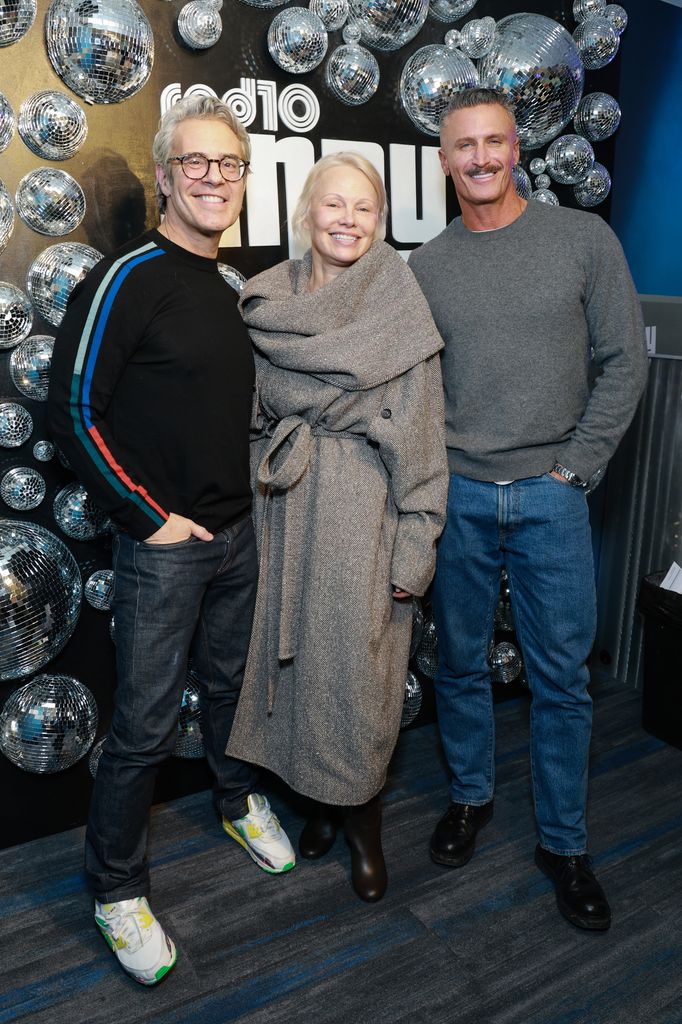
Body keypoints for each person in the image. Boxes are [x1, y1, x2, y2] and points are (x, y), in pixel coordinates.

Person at [47, 95, 295, 986]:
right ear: (163, 175)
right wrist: (147, 516)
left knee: (231, 691)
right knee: (145, 729)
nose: (213, 178)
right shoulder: (128, 277)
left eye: (228, 164)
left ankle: (235, 800)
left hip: (237, 538)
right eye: (195, 162)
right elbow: (73, 408)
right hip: (165, 547)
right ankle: (116, 888)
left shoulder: (229, 290)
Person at [409, 88, 648, 932]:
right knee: (461, 665)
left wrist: (574, 472)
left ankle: (564, 843)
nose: (478, 158)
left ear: (518, 149)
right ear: (444, 161)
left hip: (553, 499)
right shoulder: (426, 266)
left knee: (562, 682)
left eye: (492, 142)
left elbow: (626, 363)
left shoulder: (583, 239)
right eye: (462, 146)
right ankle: (471, 798)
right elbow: (415, 390)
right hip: (462, 497)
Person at [226, 152, 449, 903]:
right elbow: (254, 417)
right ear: (305, 215)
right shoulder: (265, 305)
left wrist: (414, 550)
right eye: (334, 205)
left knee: (359, 682)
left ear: (380, 223)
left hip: (364, 514)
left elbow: (421, 440)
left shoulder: (400, 309)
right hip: (285, 512)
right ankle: (317, 806)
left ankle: (363, 826)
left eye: (364, 209)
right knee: (293, 679)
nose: (348, 220)